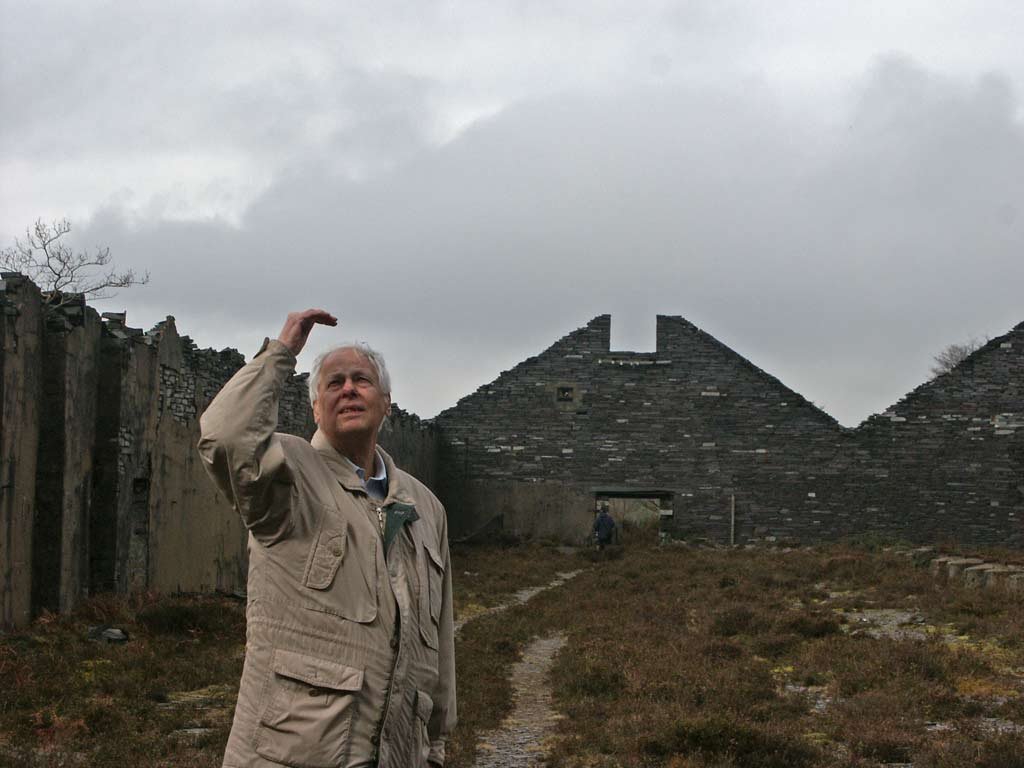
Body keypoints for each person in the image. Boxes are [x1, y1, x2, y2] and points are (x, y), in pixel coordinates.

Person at [198, 309, 455, 768]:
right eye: (334, 383)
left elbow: (439, 648)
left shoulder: (426, 507)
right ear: (316, 408)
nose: (349, 389)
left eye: (361, 380)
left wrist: (434, 748)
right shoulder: (288, 475)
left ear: (386, 403)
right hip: (291, 754)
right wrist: (281, 353)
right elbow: (226, 438)